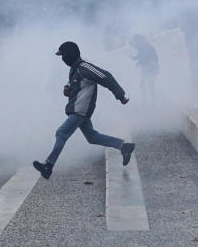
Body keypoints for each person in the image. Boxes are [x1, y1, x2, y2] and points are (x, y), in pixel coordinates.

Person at [32, 41, 135, 179]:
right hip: (79, 110)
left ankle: (48, 166)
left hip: (80, 111)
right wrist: (68, 91)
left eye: (62, 55)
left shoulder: (84, 67)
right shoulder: (74, 69)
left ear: (68, 54)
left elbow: (106, 77)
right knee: (92, 137)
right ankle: (124, 146)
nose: (62, 59)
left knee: (61, 133)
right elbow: (79, 88)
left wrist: (120, 95)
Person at [130, 34, 159, 103]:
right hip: (147, 69)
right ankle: (147, 101)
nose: (135, 44)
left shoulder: (147, 47)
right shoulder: (143, 47)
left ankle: (151, 101)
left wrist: (139, 63)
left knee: (149, 85)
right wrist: (134, 58)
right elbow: (141, 57)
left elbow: (148, 58)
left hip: (151, 69)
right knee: (144, 85)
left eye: (136, 41)